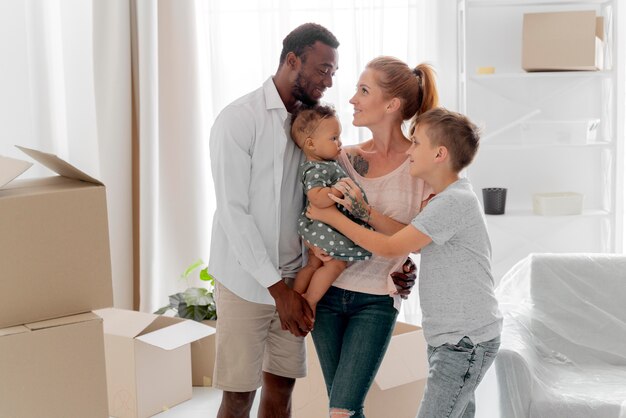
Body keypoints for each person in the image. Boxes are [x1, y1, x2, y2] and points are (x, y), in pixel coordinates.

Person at [307, 107, 503, 418]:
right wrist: (365, 212)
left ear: (439, 154)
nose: (409, 150)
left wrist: (329, 216)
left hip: (464, 341)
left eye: (416, 143)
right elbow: (408, 238)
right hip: (454, 338)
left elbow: (388, 247)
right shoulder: (444, 199)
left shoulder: (453, 203)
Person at [208, 23, 339, 418]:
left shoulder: (311, 128)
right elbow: (233, 212)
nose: (328, 80)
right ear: (292, 60)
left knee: (281, 395)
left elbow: (340, 173)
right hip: (245, 284)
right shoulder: (238, 119)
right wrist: (276, 290)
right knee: (238, 398)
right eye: (322, 69)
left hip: (294, 281)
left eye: (333, 72)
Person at [307, 56, 439, 418]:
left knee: (342, 410)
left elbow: (419, 239)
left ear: (392, 105)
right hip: (328, 294)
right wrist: (312, 246)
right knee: (343, 408)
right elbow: (313, 213)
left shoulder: (421, 166)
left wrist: (366, 214)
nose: (352, 99)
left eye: (364, 91)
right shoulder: (341, 157)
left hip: (377, 300)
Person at [290, 104, 372, 313]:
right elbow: (316, 197)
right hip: (323, 226)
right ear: (311, 144)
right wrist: (337, 191)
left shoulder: (323, 164)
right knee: (336, 265)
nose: (340, 143)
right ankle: (309, 300)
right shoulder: (316, 169)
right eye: (333, 138)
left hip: (321, 226)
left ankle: (296, 296)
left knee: (313, 264)